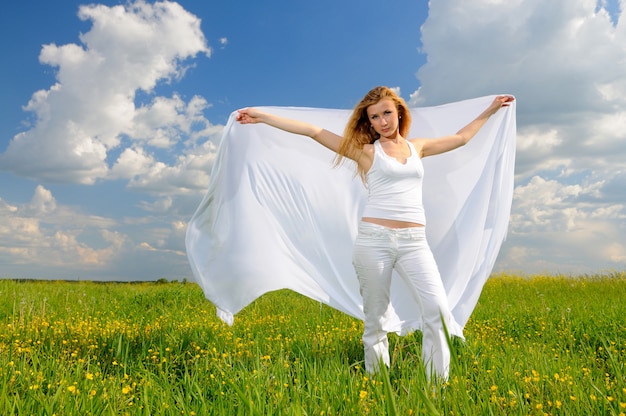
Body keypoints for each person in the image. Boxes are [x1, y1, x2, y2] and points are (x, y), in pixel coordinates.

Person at [235, 86, 514, 381]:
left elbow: (461, 138)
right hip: (374, 241)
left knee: (438, 312)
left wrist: (491, 109)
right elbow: (314, 131)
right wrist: (263, 117)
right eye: (375, 117)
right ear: (368, 123)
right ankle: (378, 384)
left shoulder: (417, 147)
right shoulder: (367, 153)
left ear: (399, 113)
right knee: (376, 319)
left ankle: (435, 388)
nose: (383, 121)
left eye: (387, 113)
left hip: (414, 243)